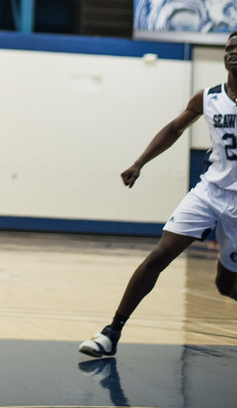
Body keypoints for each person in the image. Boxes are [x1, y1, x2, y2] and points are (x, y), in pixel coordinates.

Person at [79, 30, 237, 359]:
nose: (232, 53)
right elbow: (173, 129)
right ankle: (112, 332)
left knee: (226, 285)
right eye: (229, 47)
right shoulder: (207, 97)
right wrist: (139, 163)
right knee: (159, 256)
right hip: (209, 191)